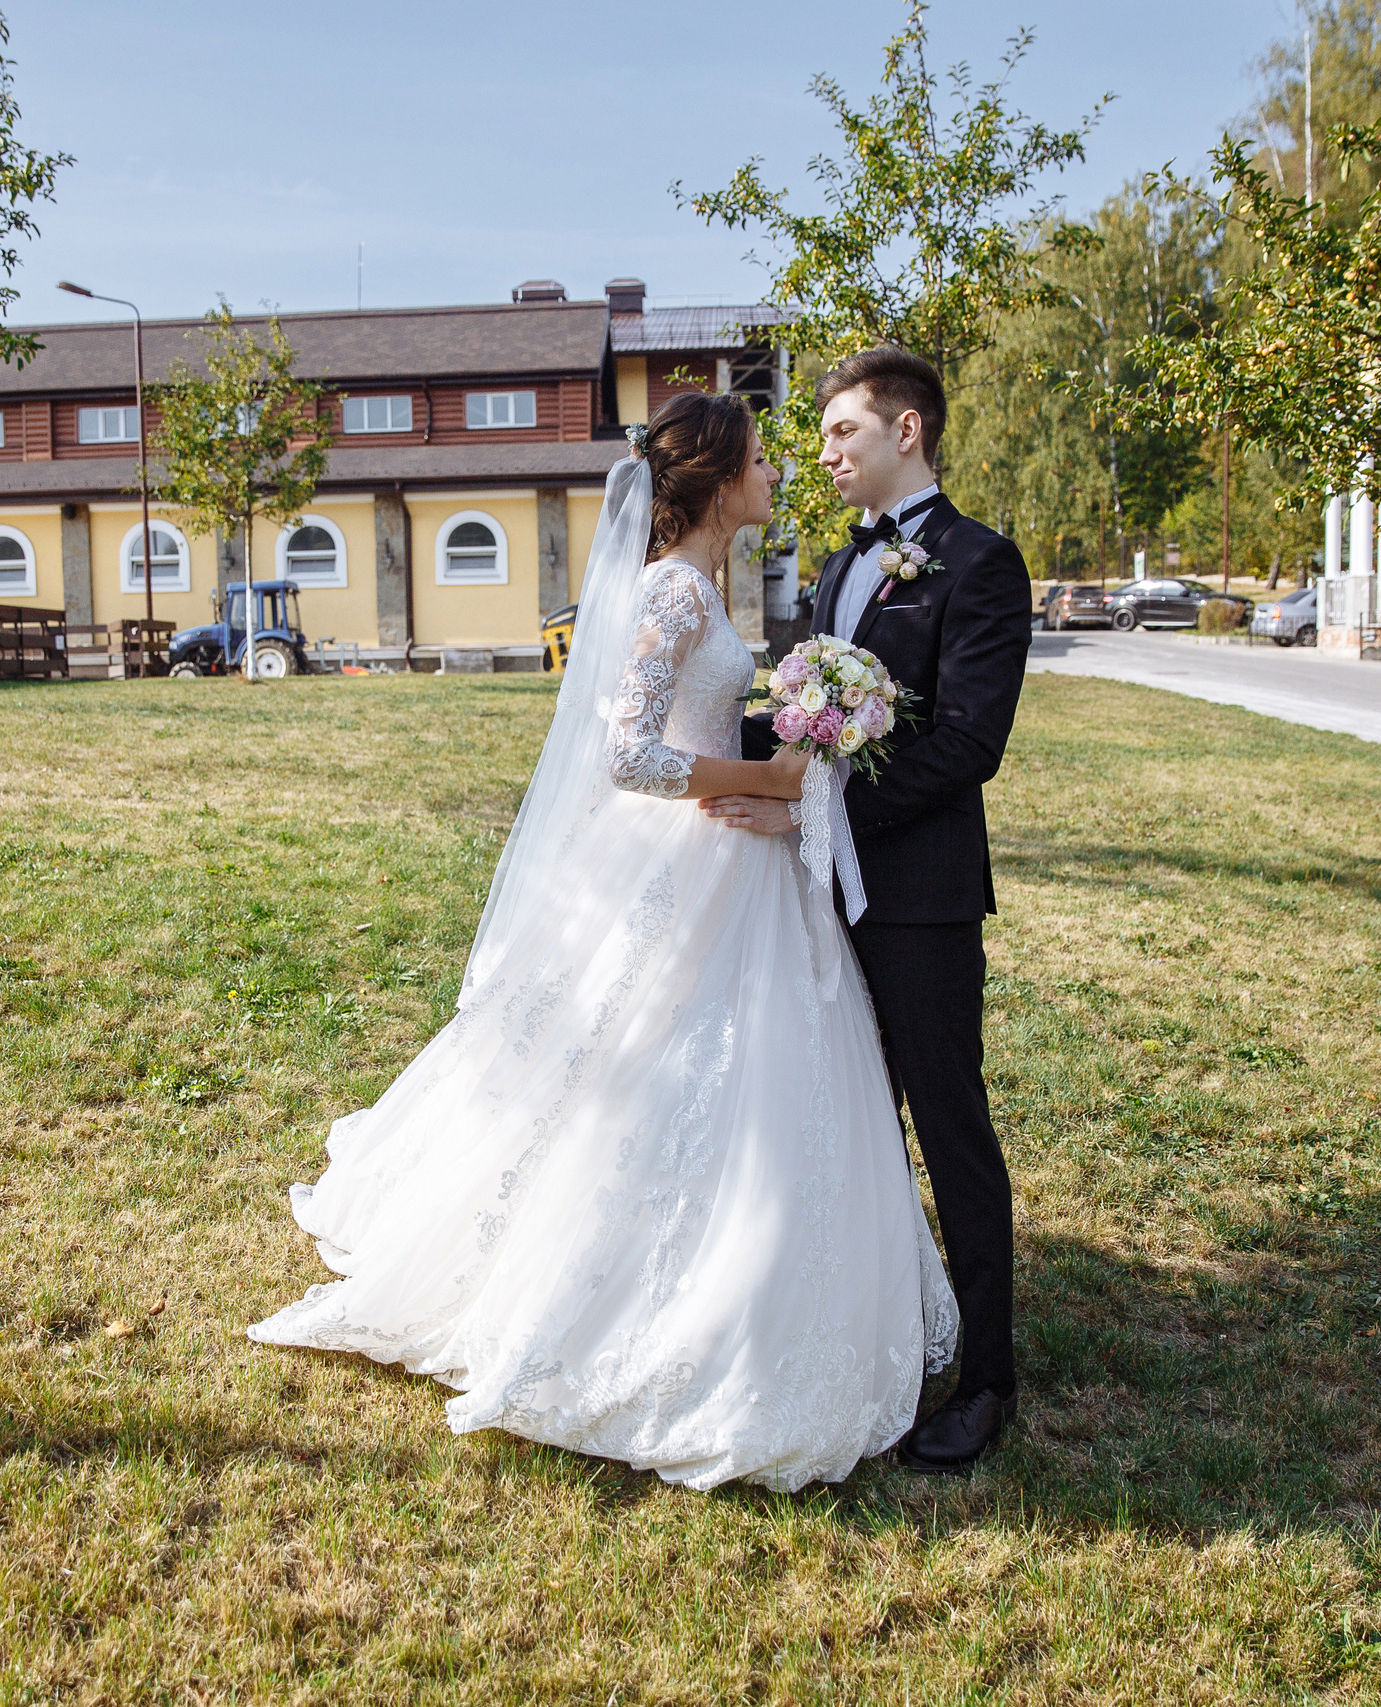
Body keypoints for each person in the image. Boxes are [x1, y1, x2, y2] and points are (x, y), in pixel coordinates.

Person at [249, 391, 957, 1492]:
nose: (776, 474)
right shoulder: (673, 588)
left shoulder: (703, 581)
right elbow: (628, 751)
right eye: (760, 460)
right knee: (645, 1068)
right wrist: (765, 777)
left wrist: (792, 752)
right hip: (686, 853)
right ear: (716, 482)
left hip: (734, 855)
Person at [705, 347, 1035, 1474]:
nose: (826, 454)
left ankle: (985, 1378)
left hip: (920, 899)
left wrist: (815, 809)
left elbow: (967, 744)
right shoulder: (839, 565)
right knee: (846, 1118)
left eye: (843, 431)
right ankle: (867, 1335)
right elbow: (807, 722)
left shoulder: (980, 563)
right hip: (815, 896)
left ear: (907, 430)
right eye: (820, 438)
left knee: (947, 1126)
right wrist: (695, 746)